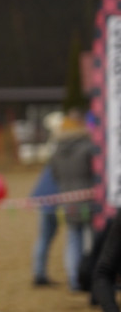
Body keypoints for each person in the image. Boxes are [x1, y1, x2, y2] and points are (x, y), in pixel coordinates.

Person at [48, 108, 97, 291]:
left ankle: (73, 278)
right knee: (91, 239)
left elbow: (55, 174)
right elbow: (95, 172)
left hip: (67, 199)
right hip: (89, 199)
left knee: (73, 239)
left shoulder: (57, 150)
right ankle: (90, 276)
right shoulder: (88, 146)